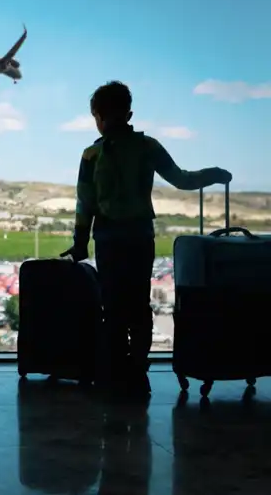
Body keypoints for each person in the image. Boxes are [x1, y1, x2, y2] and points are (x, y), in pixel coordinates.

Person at [62, 81, 232, 399]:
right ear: (129, 113)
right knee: (138, 307)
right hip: (140, 236)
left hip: (108, 238)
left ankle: (114, 374)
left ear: (97, 116)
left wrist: (80, 241)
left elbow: (85, 203)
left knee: (112, 308)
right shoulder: (147, 147)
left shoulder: (91, 155)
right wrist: (214, 174)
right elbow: (182, 179)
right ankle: (138, 372)